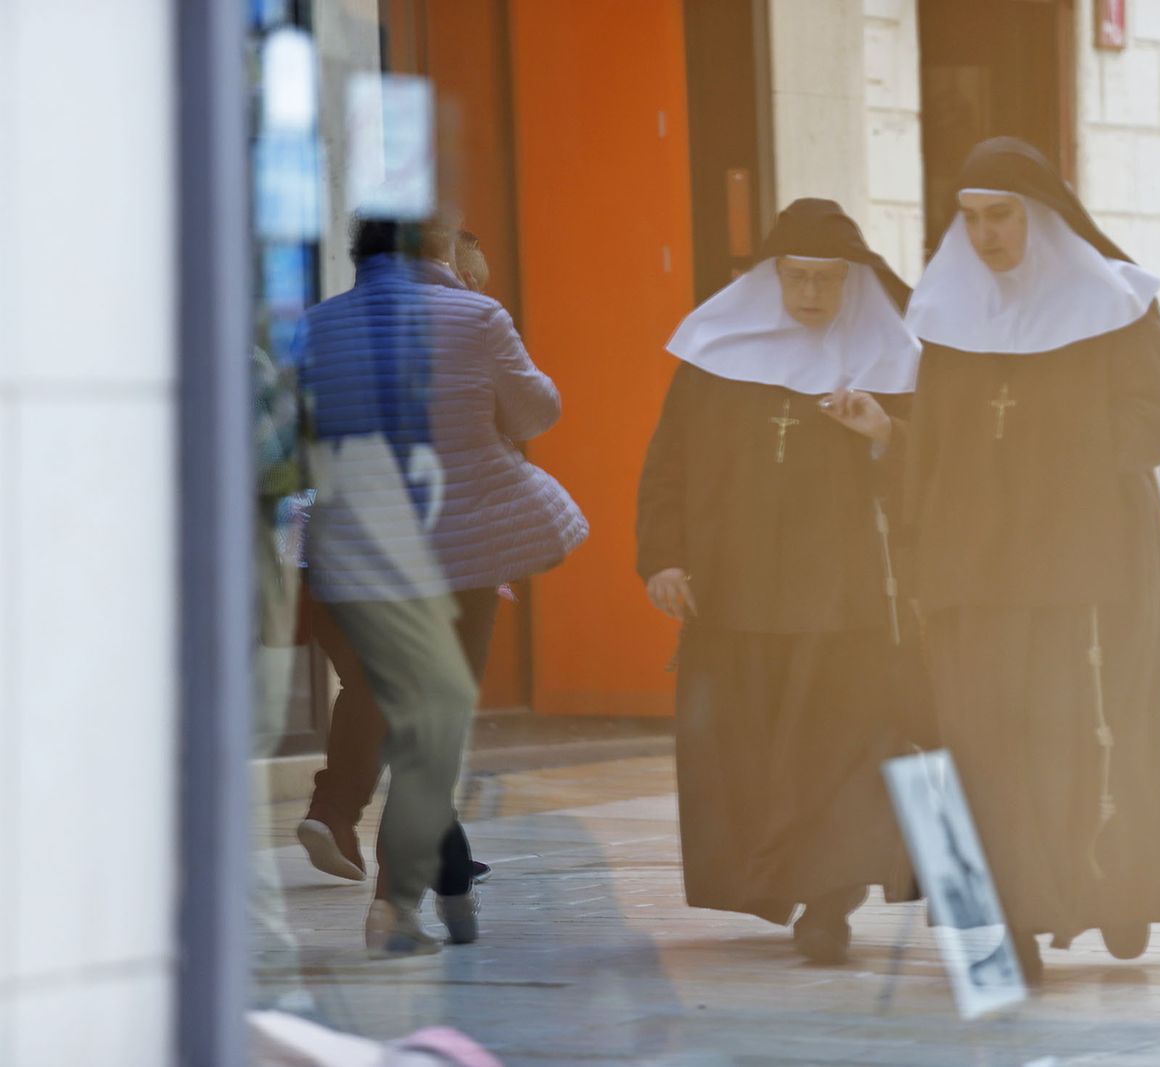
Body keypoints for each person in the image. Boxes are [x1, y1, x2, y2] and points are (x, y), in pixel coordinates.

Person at [823, 138, 1160, 983]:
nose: (986, 235)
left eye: (1002, 216)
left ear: (1042, 217)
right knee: (978, 747)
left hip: (1090, 571)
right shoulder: (952, 319)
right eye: (969, 219)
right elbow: (952, 451)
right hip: (975, 572)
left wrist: (1056, 451)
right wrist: (889, 434)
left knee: (1083, 741)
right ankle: (1007, 926)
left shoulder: (1115, 302)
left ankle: (1117, 890)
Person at [636, 198, 928, 965]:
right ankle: (777, 884)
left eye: (826, 280)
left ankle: (829, 906)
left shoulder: (889, 362)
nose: (809, 294)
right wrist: (663, 558)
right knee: (752, 758)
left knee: (838, 757)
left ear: (852, 284)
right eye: (796, 277)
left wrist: (884, 434)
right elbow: (669, 464)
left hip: (846, 605)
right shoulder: (713, 358)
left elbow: (940, 472)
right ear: (770, 278)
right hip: (734, 598)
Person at [297, 215, 587, 956]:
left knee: (386, 699)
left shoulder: (320, 324)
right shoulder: (478, 315)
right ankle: (396, 907)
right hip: (455, 552)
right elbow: (536, 410)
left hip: (354, 550)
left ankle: (366, 832)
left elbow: (303, 435)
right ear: (437, 249)